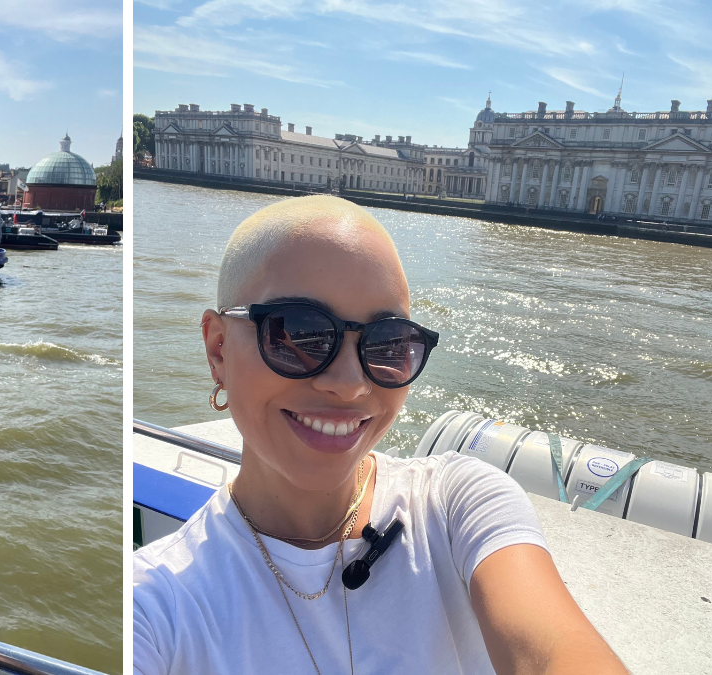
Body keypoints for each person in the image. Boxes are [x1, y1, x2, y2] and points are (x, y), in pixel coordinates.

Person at [133, 196, 626, 675]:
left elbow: (553, 650)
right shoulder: (156, 604)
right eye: (300, 334)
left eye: (388, 343)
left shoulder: (458, 506)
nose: (350, 385)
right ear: (218, 348)